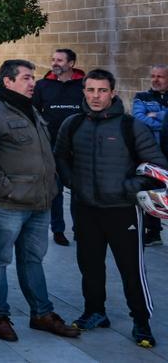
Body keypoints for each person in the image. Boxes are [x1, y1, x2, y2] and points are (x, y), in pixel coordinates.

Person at [54, 68, 167, 348]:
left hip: (123, 210)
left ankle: (141, 322)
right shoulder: (72, 123)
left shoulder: (130, 127)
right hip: (85, 209)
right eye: (90, 90)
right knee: (89, 266)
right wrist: (73, 182)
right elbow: (60, 157)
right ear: (84, 92)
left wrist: (127, 188)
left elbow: (158, 167)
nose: (95, 96)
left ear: (112, 93)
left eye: (102, 90)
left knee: (131, 270)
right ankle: (95, 312)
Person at [0, 60, 80, 342]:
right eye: (27, 78)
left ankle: (41, 313)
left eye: (32, 78)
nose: (33, 83)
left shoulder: (30, 109)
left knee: (33, 259)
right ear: (8, 81)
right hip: (7, 206)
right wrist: (8, 190)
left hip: (39, 203)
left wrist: (51, 184)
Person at [33, 48, 85, 247]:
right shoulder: (42, 85)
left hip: (78, 146)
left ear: (71, 63)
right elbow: (34, 113)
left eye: (60, 60)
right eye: (53, 59)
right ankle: (58, 229)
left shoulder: (84, 85)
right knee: (55, 190)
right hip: (52, 146)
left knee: (78, 189)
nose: (55, 63)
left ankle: (79, 228)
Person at [133, 64, 168, 246]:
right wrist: (165, 120)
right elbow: (139, 118)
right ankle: (154, 232)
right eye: (153, 75)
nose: (155, 79)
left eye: (160, 76)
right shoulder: (142, 97)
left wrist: (158, 115)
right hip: (151, 153)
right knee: (151, 191)